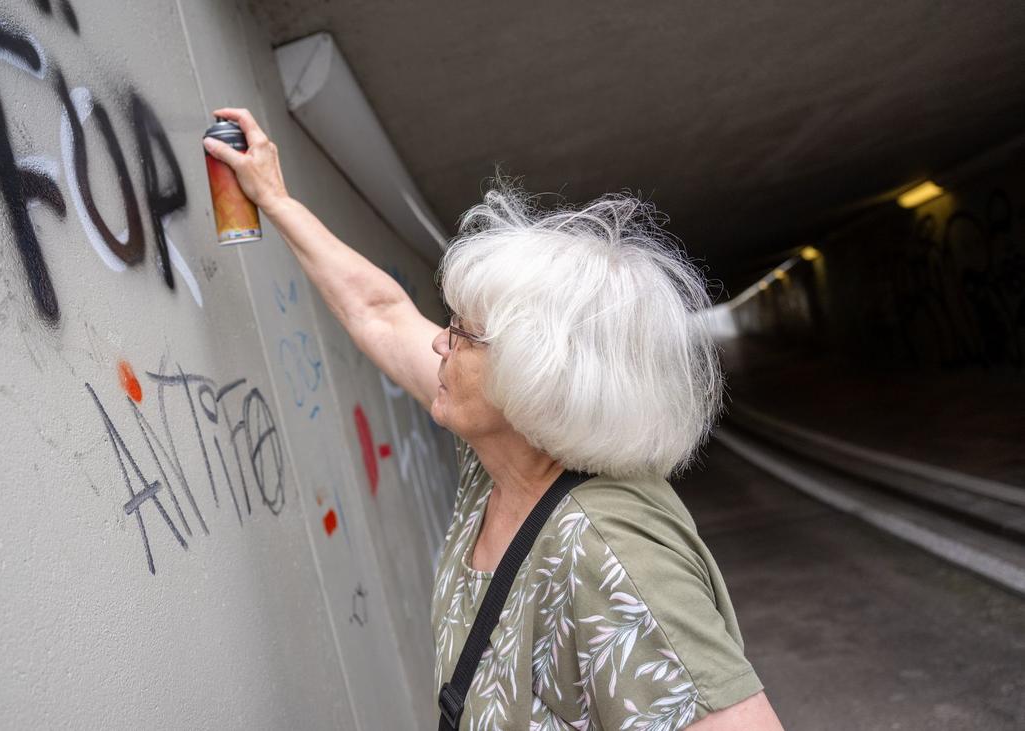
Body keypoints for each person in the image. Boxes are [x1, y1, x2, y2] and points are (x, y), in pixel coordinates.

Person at [203, 107, 784, 731]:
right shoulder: (502, 457)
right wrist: (275, 198)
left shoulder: (608, 552)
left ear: (538, 377)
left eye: (463, 335)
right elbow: (380, 313)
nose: (438, 344)